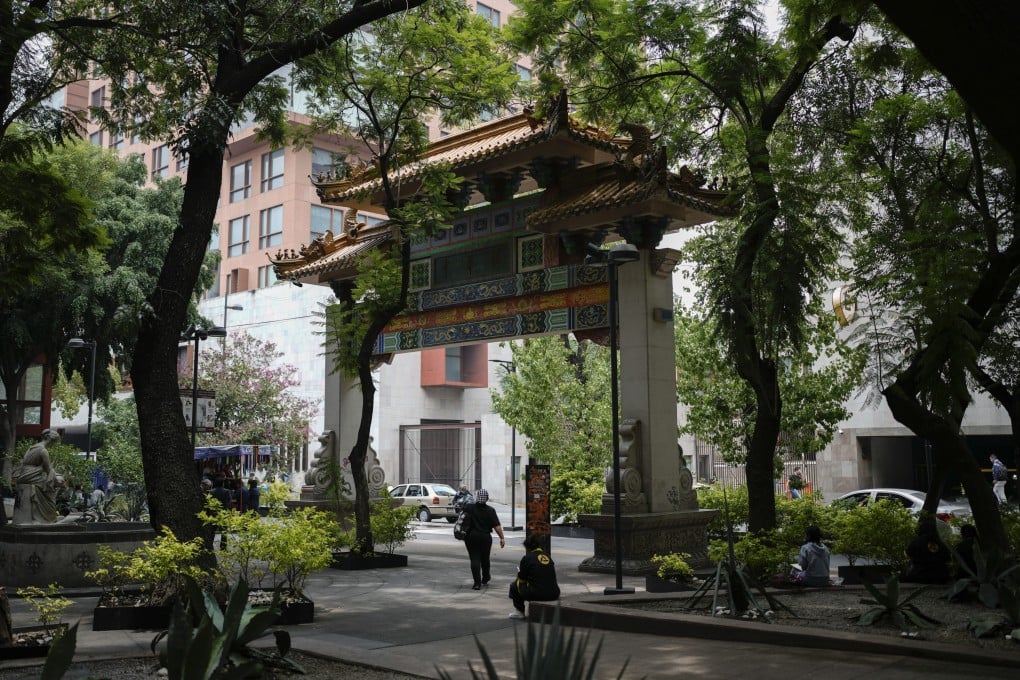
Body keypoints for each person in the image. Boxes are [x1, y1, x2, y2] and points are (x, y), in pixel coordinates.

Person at [12, 429, 60, 524]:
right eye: (54, 443)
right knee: (49, 489)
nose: (53, 446)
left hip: (24, 474)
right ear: (51, 440)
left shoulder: (31, 448)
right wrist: (57, 477)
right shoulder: (43, 451)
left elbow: (24, 464)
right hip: (31, 476)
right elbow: (48, 469)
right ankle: (45, 518)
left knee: (46, 482)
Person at [508, 534, 560, 619]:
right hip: (554, 593)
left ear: (527, 548)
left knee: (514, 585)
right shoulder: (548, 556)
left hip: (537, 594)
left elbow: (521, 580)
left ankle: (519, 611)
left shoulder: (527, 558)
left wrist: (520, 574)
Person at [462, 489, 505, 590]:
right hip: (485, 537)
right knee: (485, 558)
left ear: (477, 497)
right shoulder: (490, 510)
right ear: (487, 498)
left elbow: (462, 518)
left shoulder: (469, 507)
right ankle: (485, 577)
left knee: (474, 558)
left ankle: (477, 583)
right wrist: (502, 538)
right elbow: (497, 526)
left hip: (471, 536)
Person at [904, 516, 951, 584]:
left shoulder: (917, 542)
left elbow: (908, 553)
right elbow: (947, 557)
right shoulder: (940, 543)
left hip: (920, 576)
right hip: (940, 576)